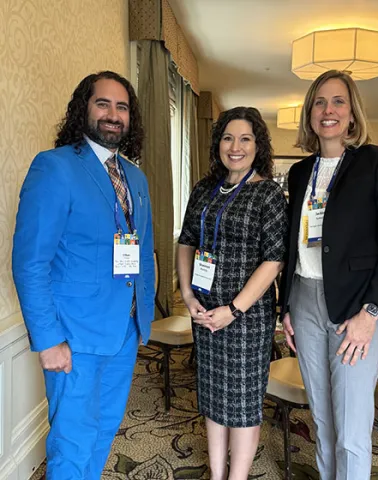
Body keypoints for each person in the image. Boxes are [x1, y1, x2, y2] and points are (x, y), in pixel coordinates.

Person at [12, 71, 155, 480]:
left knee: (104, 431)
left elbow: (141, 251)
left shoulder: (136, 178)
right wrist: (49, 339)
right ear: (84, 109)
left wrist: (142, 319)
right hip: (73, 337)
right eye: (103, 104)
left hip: (124, 332)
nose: (113, 114)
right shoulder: (54, 168)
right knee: (72, 441)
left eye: (122, 107)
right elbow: (30, 262)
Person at [279, 69, 378, 479]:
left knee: (351, 431)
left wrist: (371, 313)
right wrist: (286, 307)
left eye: (338, 101)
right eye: (319, 102)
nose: (328, 110)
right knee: (322, 420)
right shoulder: (301, 172)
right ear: (310, 114)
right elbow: (292, 244)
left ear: (353, 113)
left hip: (357, 308)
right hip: (304, 302)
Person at [177, 106, 288, 480]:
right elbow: (186, 242)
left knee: (242, 404)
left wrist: (234, 310)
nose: (235, 146)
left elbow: (273, 260)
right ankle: (215, 471)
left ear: (259, 146)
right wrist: (188, 295)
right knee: (212, 396)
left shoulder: (268, 194)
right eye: (228, 137)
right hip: (205, 311)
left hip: (246, 318)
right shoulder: (204, 189)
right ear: (218, 143)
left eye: (245, 138)